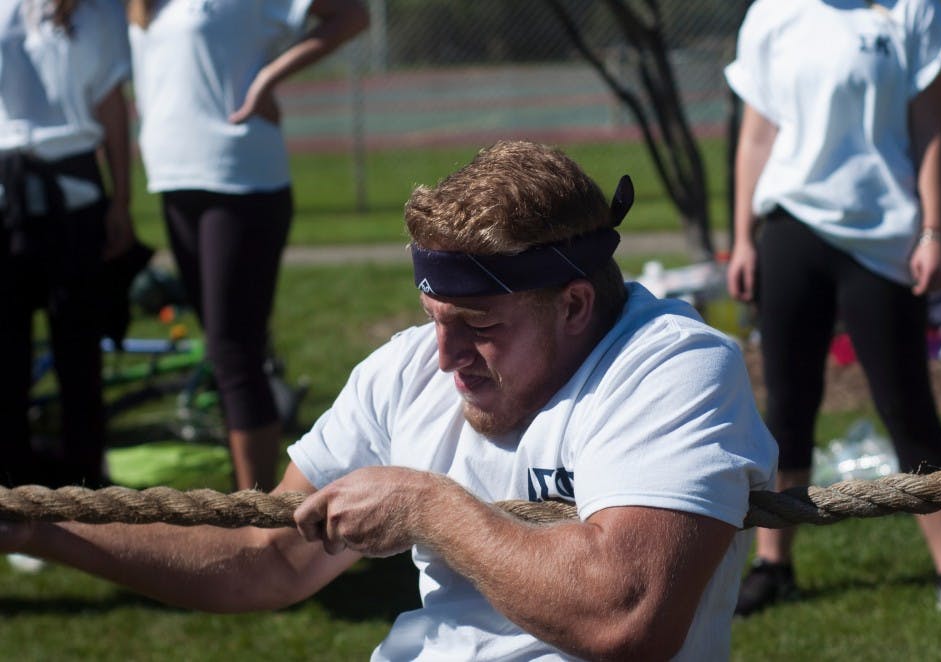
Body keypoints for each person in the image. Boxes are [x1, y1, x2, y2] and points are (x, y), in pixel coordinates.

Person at [1, 140, 778, 660]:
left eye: (478, 326)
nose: (444, 358)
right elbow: (262, 559)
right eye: (435, 320)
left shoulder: (671, 368)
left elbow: (628, 613)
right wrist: (38, 527)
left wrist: (429, 509)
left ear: (574, 305)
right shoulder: (409, 369)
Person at [724, 0, 941, 630]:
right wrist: (742, 237)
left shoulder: (911, 11)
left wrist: (935, 230)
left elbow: (930, 130)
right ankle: (774, 566)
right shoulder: (772, 13)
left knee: (908, 404)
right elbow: (757, 136)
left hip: (884, 239)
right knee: (788, 403)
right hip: (792, 228)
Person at [125, 0, 370, 491]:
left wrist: (268, 78)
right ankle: (256, 508)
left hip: (240, 180)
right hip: (174, 180)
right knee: (226, 350)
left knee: (234, 351)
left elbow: (352, 15)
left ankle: (256, 519)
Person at [0, 0, 134, 488]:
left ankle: (83, 492)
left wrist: (122, 198)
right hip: (7, 191)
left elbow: (111, 105)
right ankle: (13, 498)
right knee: (7, 359)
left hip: (74, 192)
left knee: (79, 353)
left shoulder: (98, 12)